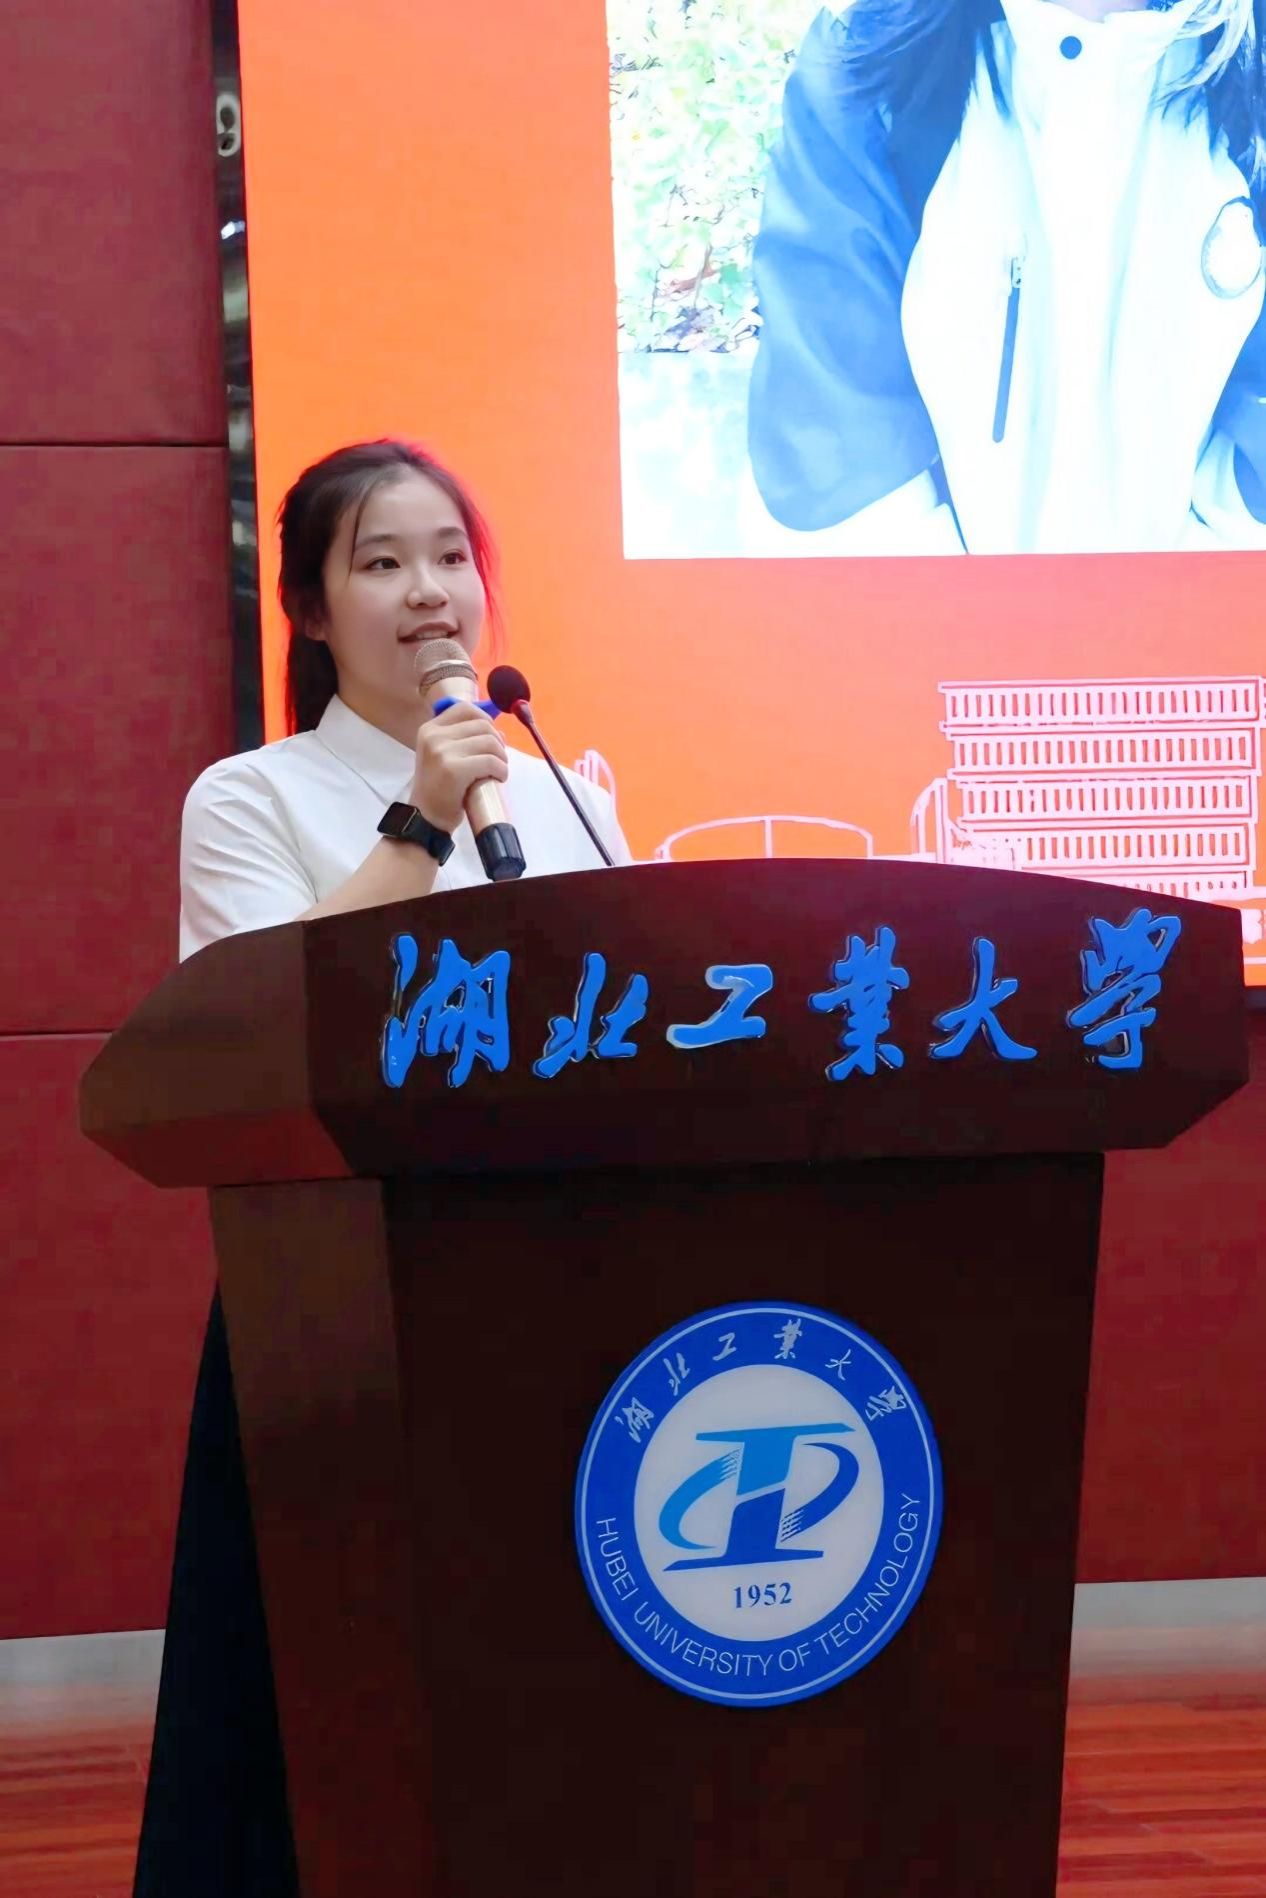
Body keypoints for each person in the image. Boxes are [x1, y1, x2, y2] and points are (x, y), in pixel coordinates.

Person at [135, 439, 629, 1895]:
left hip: (566, 1288)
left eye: (450, 557)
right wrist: (418, 818)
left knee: (546, 1689)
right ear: (307, 606)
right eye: (383, 561)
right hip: (339, 1305)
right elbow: (251, 1027)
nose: (429, 592)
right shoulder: (252, 796)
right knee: (337, 1696)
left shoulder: (563, 792)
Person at [746, 0, 1266, 554]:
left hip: (1212, 601)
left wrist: (1197, 593)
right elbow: (837, 454)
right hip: (919, 600)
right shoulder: (868, 52)